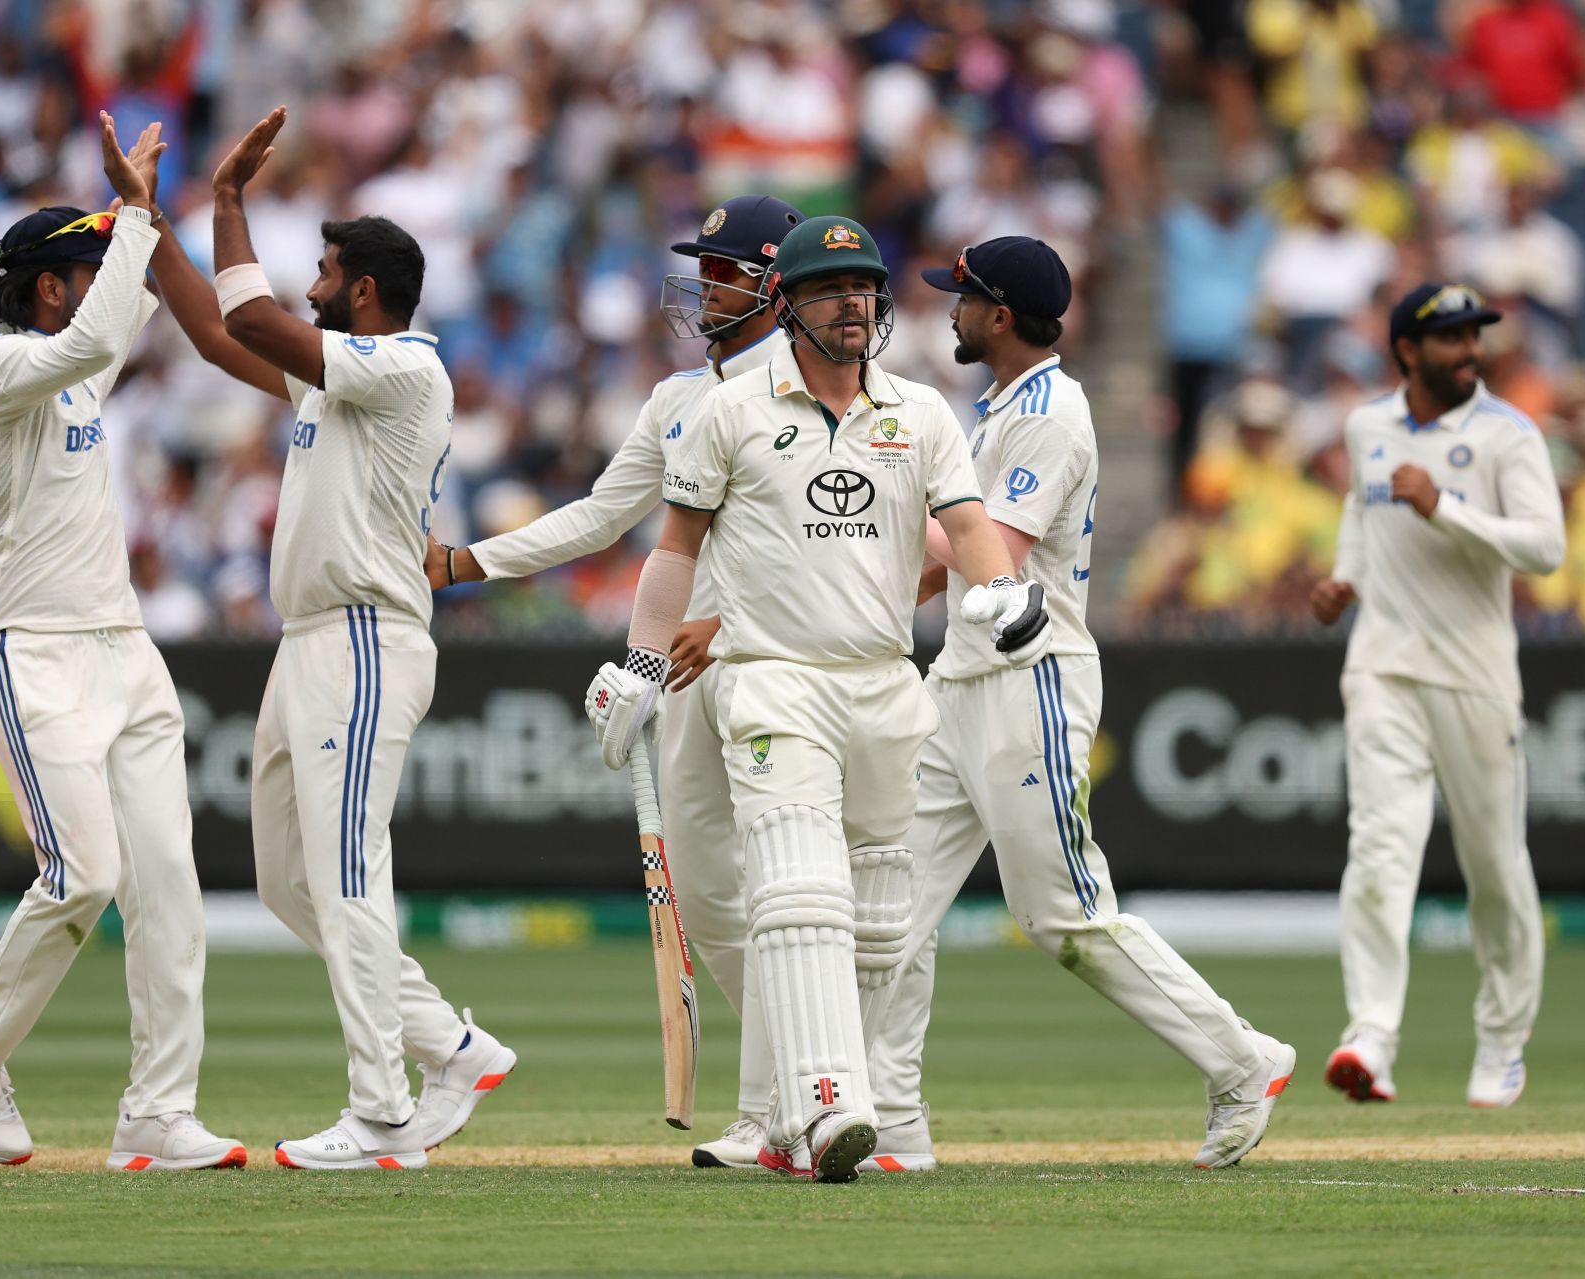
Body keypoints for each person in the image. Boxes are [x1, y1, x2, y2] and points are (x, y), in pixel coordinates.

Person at [585, 216, 1052, 1182]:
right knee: (800, 892)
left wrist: (999, 587)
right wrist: (637, 660)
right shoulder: (731, 411)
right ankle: (830, 1103)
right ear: (789, 304)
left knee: (881, 917)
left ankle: (787, 1116)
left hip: (884, 684)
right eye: (833, 288)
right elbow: (675, 546)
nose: (856, 303)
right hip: (772, 679)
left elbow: (965, 525)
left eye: (867, 287)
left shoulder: (920, 412)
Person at [864, 237, 1296, 1174]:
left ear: (1003, 316)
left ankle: (1242, 1059)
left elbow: (998, 552)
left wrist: (884, 532)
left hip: (1033, 676)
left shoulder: (1053, 410)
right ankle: (892, 1125)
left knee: (1063, 915)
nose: (952, 311)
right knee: (892, 905)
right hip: (961, 685)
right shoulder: (1002, 409)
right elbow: (950, 561)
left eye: (965, 299)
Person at [424, 195, 803, 1170]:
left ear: (771, 280)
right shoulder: (679, 398)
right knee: (711, 902)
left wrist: (740, 624)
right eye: (702, 266)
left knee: (791, 894)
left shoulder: (811, 393)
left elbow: (839, 550)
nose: (703, 285)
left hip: (782, 668)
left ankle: (821, 1088)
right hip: (682, 675)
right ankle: (781, 1099)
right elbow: (601, 516)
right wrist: (468, 562)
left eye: (721, 268)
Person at [0, 115, 244, 1172]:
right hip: (31, 647)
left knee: (167, 883)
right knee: (82, 873)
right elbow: (102, 335)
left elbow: (134, 312)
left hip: (124, 645)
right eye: (86, 266)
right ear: (48, 284)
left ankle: (157, 1113)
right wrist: (133, 212)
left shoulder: (75, 356)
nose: (102, 279)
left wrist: (157, 201)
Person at [201, 107, 514, 1169]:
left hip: (370, 635)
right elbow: (217, 330)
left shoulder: (404, 370)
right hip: (309, 642)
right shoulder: (338, 375)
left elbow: (250, 318)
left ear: (364, 291)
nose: (311, 285)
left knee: (345, 871)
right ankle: (452, 1047)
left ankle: (382, 1114)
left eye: (326, 272)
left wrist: (227, 198)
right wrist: (149, 242)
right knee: (293, 880)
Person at [1310, 282, 1564, 1108]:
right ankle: (1371, 1035)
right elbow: (1360, 506)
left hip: (1476, 676)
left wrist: (1445, 507)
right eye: (1451, 338)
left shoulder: (1507, 434)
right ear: (1407, 351)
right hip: (1383, 665)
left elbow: (1545, 548)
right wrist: (1345, 576)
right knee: (1381, 849)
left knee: (1494, 865)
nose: (1470, 351)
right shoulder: (1366, 425)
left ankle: (1502, 1039)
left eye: (1474, 336)